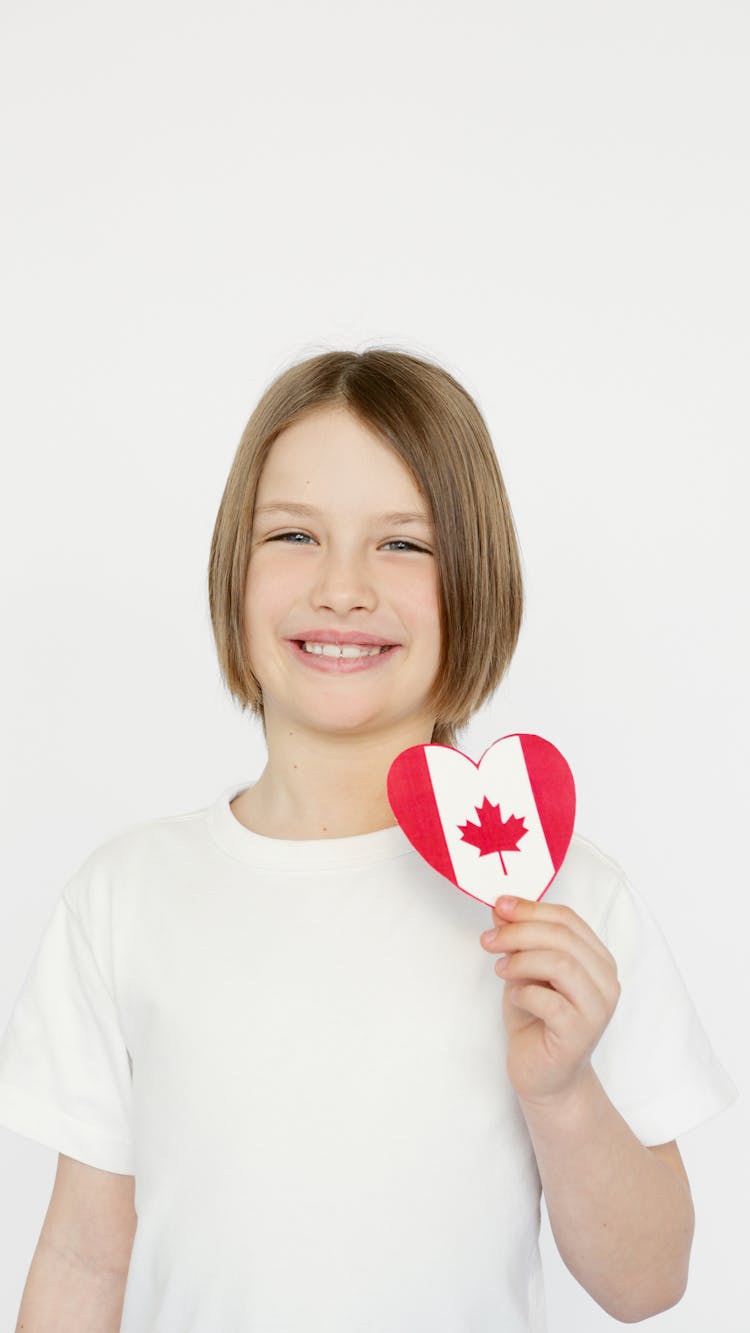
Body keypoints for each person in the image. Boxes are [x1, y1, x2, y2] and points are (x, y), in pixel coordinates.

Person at [0, 347, 739, 1331]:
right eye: (296, 534)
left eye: (404, 544)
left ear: (477, 581)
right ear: (233, 568)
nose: (343, 588)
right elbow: (83, 1254)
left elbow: (649, 1282)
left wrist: (562, 1092)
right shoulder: (124, 898)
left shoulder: (562, 900)